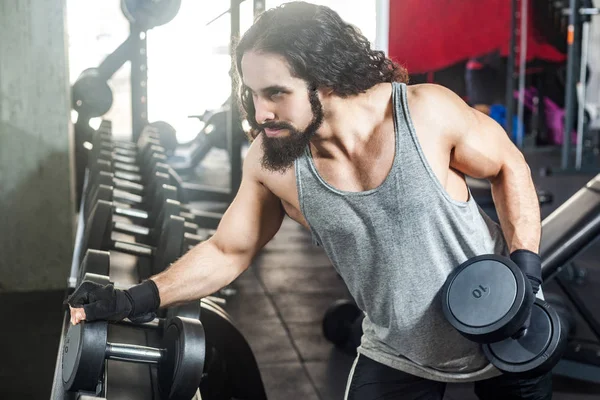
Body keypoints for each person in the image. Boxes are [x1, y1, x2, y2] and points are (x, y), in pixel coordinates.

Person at [67, 2, 547, 399]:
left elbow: (511, 167)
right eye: (251, 93)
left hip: (503, 327)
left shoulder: (424, 112)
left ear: (328, 79)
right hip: (398, 349)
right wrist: (132, 299)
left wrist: (526, 275)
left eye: (276, 93)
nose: (260, 112)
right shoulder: (273, 162)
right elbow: (227, 250)